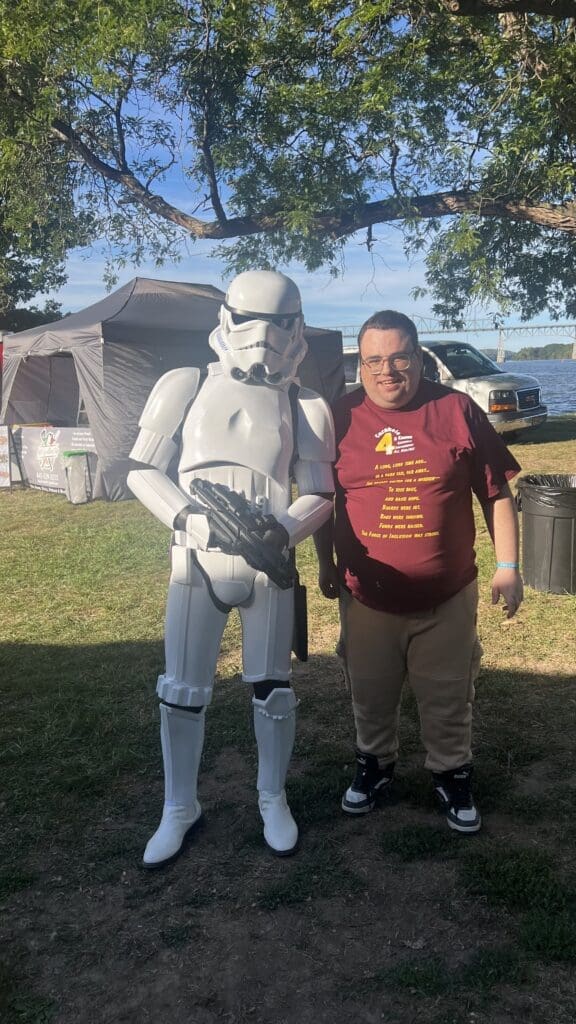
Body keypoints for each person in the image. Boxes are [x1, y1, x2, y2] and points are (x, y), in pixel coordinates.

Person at [127, 270, 335, 867]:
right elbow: (142, 468)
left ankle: (272, 797)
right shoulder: (183, 384)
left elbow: (320, 490)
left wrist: (286, 528)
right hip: (195, 559)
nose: (262, 336)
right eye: (249, 318)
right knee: (182, 691)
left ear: (295, 327)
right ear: (226, 317)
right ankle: (178, 805)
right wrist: (191, 521)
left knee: (272, 689)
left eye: (279, 323)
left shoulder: (307, 403)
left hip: (269, 564)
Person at [314, 310, 523, 834]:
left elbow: (496, 491)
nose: (388, 371)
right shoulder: (337, 417)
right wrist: (323, 563)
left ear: (418, 357)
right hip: (365, 595)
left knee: (448, 691)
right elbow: (321, 500)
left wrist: (508, 566)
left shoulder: (455, 409)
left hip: (447, 594)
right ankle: (374, 764)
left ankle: (452, 772)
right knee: (369, 689)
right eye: (374, 360)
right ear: (359, 365)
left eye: (399, 357)